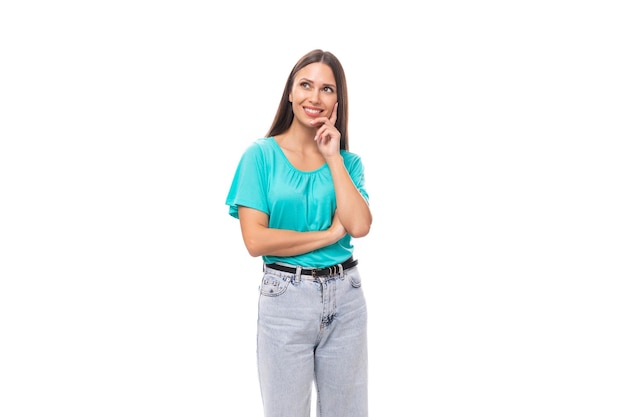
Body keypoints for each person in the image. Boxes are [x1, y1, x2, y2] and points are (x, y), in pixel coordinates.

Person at [225, 49, 372, 417]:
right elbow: (256, 241)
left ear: (338, 101)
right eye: (305, 85)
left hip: (347, 300)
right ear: (290, 93)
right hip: (285, 299)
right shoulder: (259, 156)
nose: (314, 97)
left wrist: (333, 156)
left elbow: (359, 226)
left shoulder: (349, 163)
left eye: (327, 89)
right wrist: (327, 236)